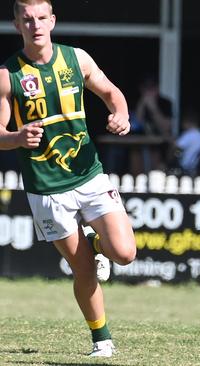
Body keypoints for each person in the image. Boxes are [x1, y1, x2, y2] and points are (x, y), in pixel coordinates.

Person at [0, 0, 136, 357]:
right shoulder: (7, 74)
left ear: (53, 20)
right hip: (46, 188)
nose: (35, 25)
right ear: (17, 25)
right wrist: (15, 137)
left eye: (41, 18)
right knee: (83, 270)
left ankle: (94, 242)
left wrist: (120, 115)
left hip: (88, 175)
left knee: (124, 253)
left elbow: (111, 93)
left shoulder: (76, 59)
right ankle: (102, 341)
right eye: (27, 19)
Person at [129, 75, 172, 174]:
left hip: (160, 142)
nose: (148, 92)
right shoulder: (136, 102)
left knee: (155, 153)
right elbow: (134, 126)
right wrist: (141, 106)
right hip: (139, 141)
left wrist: (153, 109)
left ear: (157, 88)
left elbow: (166, 128)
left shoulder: (165, 103)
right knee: (135, 152)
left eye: (151, 88)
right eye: (146, 88)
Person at [167, 108, 200, 176]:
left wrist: (170, 140)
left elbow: (175, 147)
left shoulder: (189, 134)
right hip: (194, 169)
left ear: (186, 122)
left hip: (184, 169)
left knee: (162, 168)